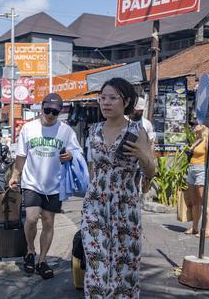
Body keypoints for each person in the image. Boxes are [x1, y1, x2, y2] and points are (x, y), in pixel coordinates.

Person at [81, 78, 155, 298]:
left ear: (127, 101)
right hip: (95, 207)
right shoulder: (93, 131)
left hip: (125, 208)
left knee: (125, 267)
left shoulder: (136, 131)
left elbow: (150, 172)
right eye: (103, 97)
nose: (106, 102)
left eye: (113, 98)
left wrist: (143, 156)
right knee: (97, 265)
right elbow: (94, 169)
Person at [9, 93, 81, 280]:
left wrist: (71, 156)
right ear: (41, 108)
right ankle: (30, 251)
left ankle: (42, 260)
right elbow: (21, 155)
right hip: (32, 182)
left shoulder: (66, 131)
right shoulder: (28, 128)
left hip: (55, 185)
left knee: (48, 221)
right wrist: (15, 175)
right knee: (31, 219)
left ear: (59, 113)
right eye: (47, 110)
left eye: (54, 112)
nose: (50, 115)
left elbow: (76, 151)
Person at [185, 124, 209, 238]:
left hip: (201, 170)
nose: (194, 126)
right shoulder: (197, 139)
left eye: (197, 124)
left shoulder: (208, 139)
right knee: (194, 202)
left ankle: (207, 230)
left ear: (203, 126)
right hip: (192, 170)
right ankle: (195, 227)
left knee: (205, 202)